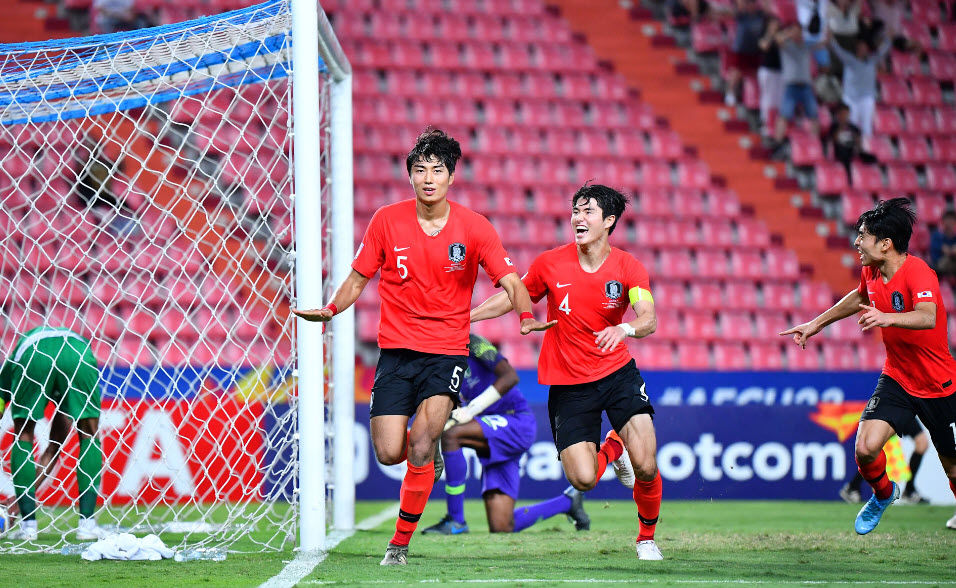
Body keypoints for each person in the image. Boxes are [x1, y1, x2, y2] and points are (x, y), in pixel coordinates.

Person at [291, 129, 553, 566]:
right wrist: (333, 308)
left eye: (437, 170)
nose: (428, 177)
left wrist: (525, 316)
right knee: (390, 451)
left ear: (452, 176)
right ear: (409, 176)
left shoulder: (474, 227)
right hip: (395, 353)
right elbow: (359, 277)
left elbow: (511, 282)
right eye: (420, 169)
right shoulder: (386, 220)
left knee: (423, 440)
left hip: (447, 352)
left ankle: (399, 543)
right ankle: (425, 461)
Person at [471, 184, 663, 560]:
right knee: (583, 479)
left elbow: (648, 318)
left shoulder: (628, 267)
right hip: (569, 384)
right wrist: (465, 318)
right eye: (576, 210)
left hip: (618, 373)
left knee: (646, 464)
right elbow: (515, 295)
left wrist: (622, 329)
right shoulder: (550, 264)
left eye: (588, 211)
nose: (578, 217)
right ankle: (613, 446)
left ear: (608, 221)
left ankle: (645, 538)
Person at [781, 198, 956, 535]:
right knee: (864, 448)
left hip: (937, 383)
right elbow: (859, 296)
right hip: (898, 377)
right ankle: (884, 493)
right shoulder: (871, 271)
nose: (857, 242)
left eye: (863, 236)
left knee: (951, 465)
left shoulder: (918, 272)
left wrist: (886, 317)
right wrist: (816, 324)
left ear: (885, 243)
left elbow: (927, 316)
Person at [421, 334, 590, 535]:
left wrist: (471, 410)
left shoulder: (473, 343)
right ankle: (567, 502)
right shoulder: (438, 361)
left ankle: (455, 520)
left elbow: (510, 376)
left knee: (452, 436)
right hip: (490, 429)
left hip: (516, 421)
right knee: (502, 526)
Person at [0, 326, 106, 541]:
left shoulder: (12, 362)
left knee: (23, 434)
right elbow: (55, 445)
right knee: (89, 434)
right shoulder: (75, 351)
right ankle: (87, 524)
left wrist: (17, 502)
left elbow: (54, 446)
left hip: (34, 355)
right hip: (77, 354)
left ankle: (28, 525)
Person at [839, 414, 930, 504]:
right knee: (878, 447)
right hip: (895, 408)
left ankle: (909, 490)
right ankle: (853, 486)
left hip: (910, 408)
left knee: (922, 444)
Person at [771, 20, 822, 158]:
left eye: (798, 30)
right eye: (795, 30)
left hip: (806, 86)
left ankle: (814, 145)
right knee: (784, 116)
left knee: (814, 116)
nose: (797, 33)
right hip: (791, 87)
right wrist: (788, 33)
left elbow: (824, 43)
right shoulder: (786, 46)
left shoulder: (806, 46)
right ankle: (777, 144)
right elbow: (777, 39)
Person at [828, 32, 891, 138]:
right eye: (860, 47)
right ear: (857, 48)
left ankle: (867, 148)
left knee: (867, 127)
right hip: (851, 98)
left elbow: (883, 51)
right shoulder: (850, 60)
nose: (862, 49)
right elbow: (838, 51)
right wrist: (831, 39)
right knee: (851, 126)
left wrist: (888, 38)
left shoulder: (872, 60)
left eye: (864, 47)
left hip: (866, 98)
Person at [929, 210, 956, 281]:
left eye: (952, 219)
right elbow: (946, 250)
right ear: (943, 221)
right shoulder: (937, 236)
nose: (950, 222)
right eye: (948, 219)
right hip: (939, 266)